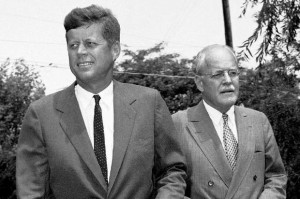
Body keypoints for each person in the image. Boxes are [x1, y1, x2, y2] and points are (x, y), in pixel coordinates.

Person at [16, 4, 187, 199]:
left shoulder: (149, 103)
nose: (80, 51)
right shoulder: (41, 114)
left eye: (90, 44)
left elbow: (171, 170)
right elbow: (30, 191)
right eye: (73, 45)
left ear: (115, 50)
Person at [172, 44, 287, 198]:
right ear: (199, 83)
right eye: (218, 74)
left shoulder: (258, 121)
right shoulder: (179, 124)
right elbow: (168, 186)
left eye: (233, 73)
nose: (228, 80)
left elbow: (276, 177)